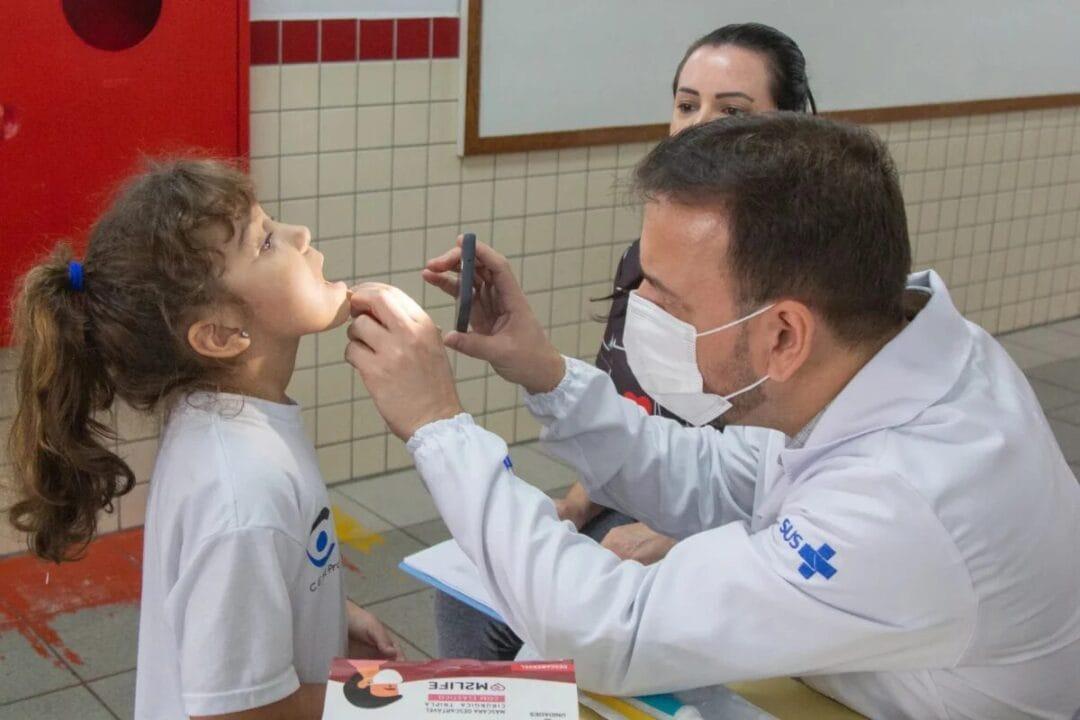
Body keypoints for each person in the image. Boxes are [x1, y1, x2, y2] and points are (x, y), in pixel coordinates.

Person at [345, 115, 1080, 719]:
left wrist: (440, 428)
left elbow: (610, 632)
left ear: (783, 336)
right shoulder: (885, 357)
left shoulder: (909, 494)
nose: (639, 312)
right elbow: (717, 476)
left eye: (667, 300)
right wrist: (540, 369)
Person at [435, 21, 819, 662]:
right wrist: (579, 501)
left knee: (555, 636)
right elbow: (638, 409)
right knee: (472, 595)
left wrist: (435, 426)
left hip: (740, 529)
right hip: (668, 493)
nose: (698, 128)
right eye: (686, 104)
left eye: (731, 112)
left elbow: (766, 487)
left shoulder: (808, 297)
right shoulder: (650, 262)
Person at [5, 159, 402, 720]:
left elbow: (246, 589)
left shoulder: (229, 425)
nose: (300, 235)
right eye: (265, 243)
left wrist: (326, 614)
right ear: (218, 335)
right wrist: (389, 703)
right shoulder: (242, 490)